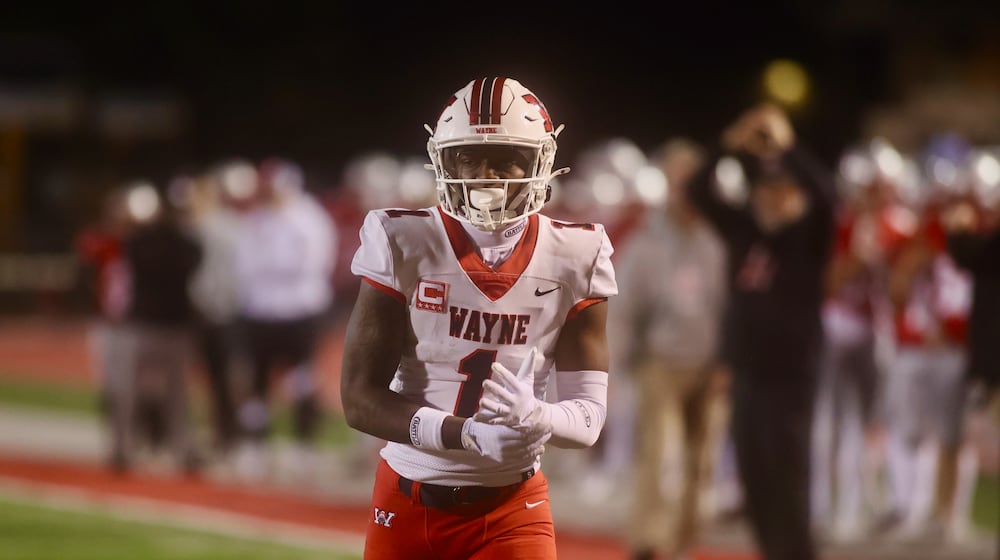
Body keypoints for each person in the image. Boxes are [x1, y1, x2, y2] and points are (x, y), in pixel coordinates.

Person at [340, 76, 617, 559]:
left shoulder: (576, 252)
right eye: (468, 157)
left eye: (506, 158)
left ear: (540, 162)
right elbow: (359, 399)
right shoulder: (403, 240)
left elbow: (589, 419)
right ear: (444, 160)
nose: (486, 176)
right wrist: (465, 434)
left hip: (512, 508)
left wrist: (539, 417)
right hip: (408, 498)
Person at [687, 103, 836, 560]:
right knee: (754, 470)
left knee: (789, 469)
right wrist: (729, 145)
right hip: (748, 369)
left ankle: (798, 552)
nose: (774, 198)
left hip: (793, 371)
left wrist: (786, 148)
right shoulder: (744, 231)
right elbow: (698, 190)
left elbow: (826, 195)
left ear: (796, 195)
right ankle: (773, 551)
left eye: (783, 190)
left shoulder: (809, 236)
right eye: (767, 190)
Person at [607, 138, 729, 560]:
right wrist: (616, 365)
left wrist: (731, 361)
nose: (683, 191)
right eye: (676, 181)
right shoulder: (648, 238)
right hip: (660, 361)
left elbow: (736, 306)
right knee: (659, 457)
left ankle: (682, 543)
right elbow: (623, 306)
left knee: (702, 462)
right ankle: (648, 543)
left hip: (710, 363)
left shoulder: (720, 235)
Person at [232, 157, 338, 481]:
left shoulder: (310, 218)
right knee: (257, 383)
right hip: (260, 312)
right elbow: (244, 265)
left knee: (303, 382)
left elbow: (313, 263)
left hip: (300, 310)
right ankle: (256, 446)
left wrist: (272, 270)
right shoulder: (256, 219)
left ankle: (303, 447)